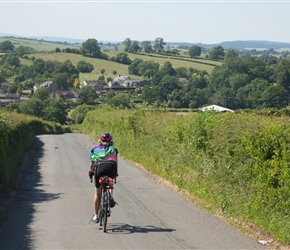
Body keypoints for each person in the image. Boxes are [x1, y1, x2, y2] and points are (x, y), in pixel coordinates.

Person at [88, 132, 118, 223]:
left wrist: (91, 171)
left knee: (97, 193)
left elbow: (92, 163)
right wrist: (115, 173)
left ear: (100, 139)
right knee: (110, 181)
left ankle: (96, 216)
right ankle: (110, 195)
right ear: (110, 140)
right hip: (111, 168)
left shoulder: (95, 149)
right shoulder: (113, 149)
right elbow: (116, 163)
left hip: (99, 169)